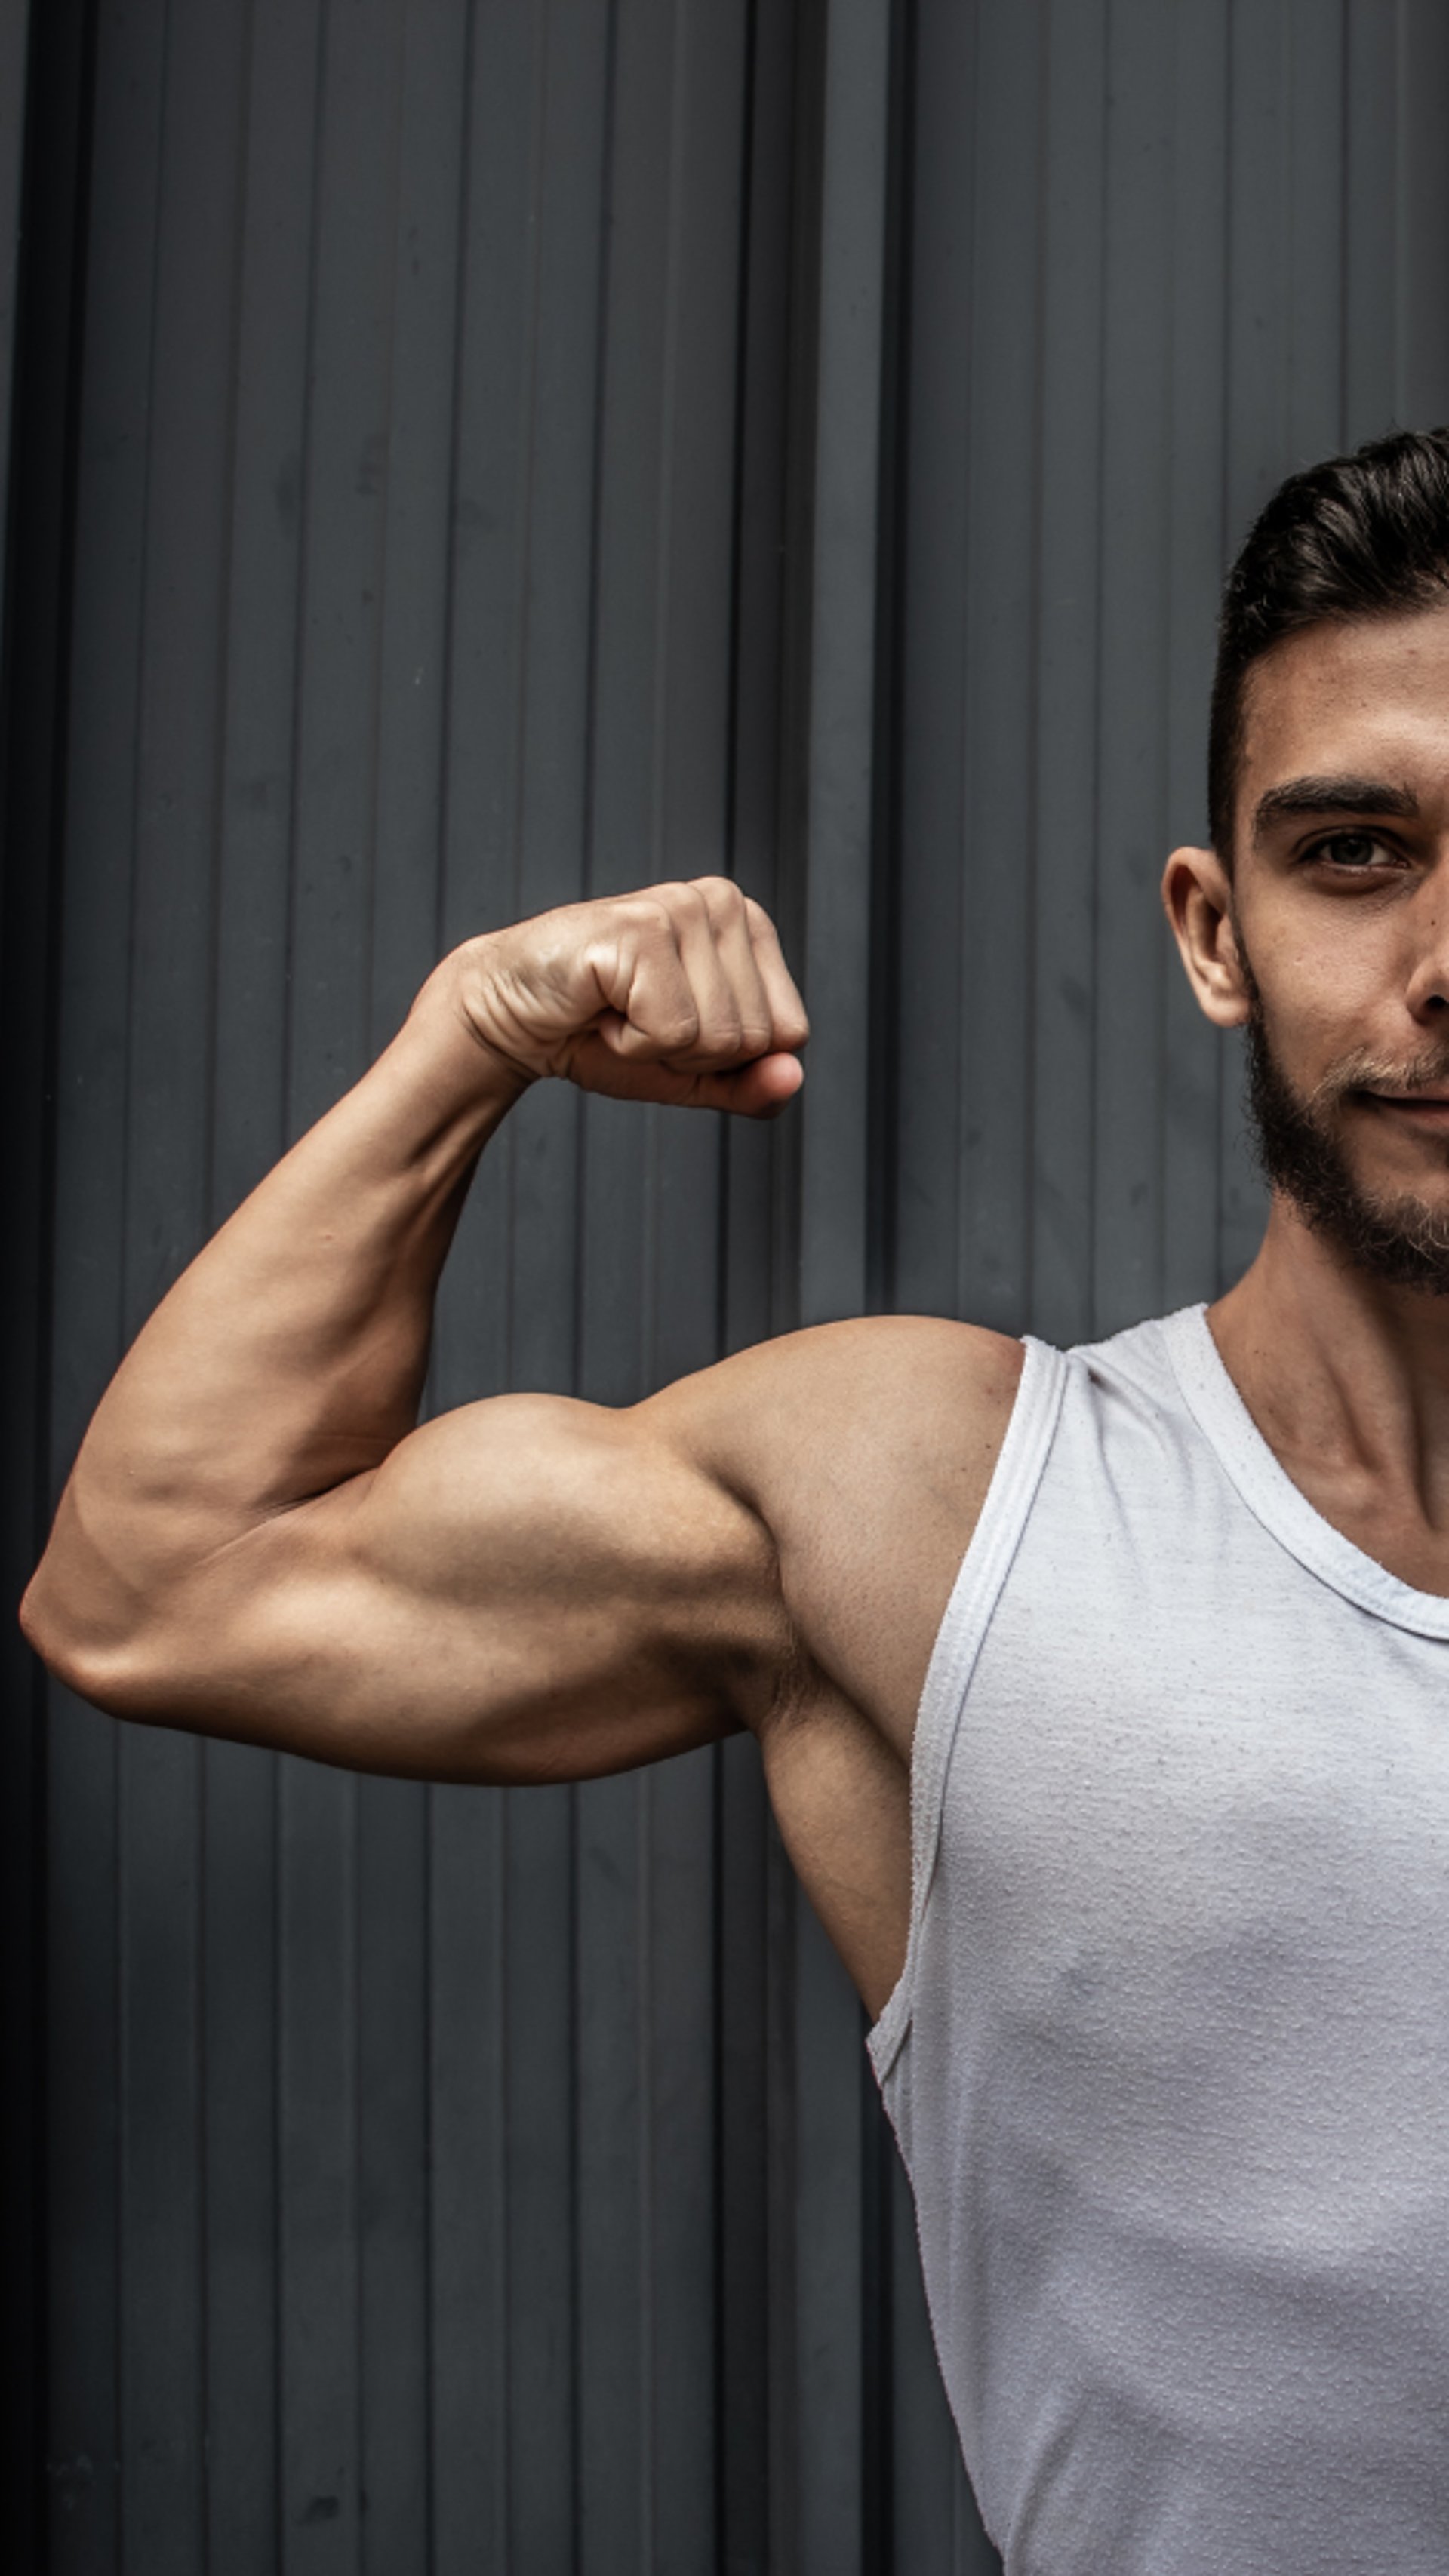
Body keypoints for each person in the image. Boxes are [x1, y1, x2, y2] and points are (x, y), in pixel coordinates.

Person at [23, 423, 1449, 2572]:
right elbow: (158, 1584)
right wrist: (465, 1040)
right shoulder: (950, 1514)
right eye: (1357, 851)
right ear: (1212, 929)